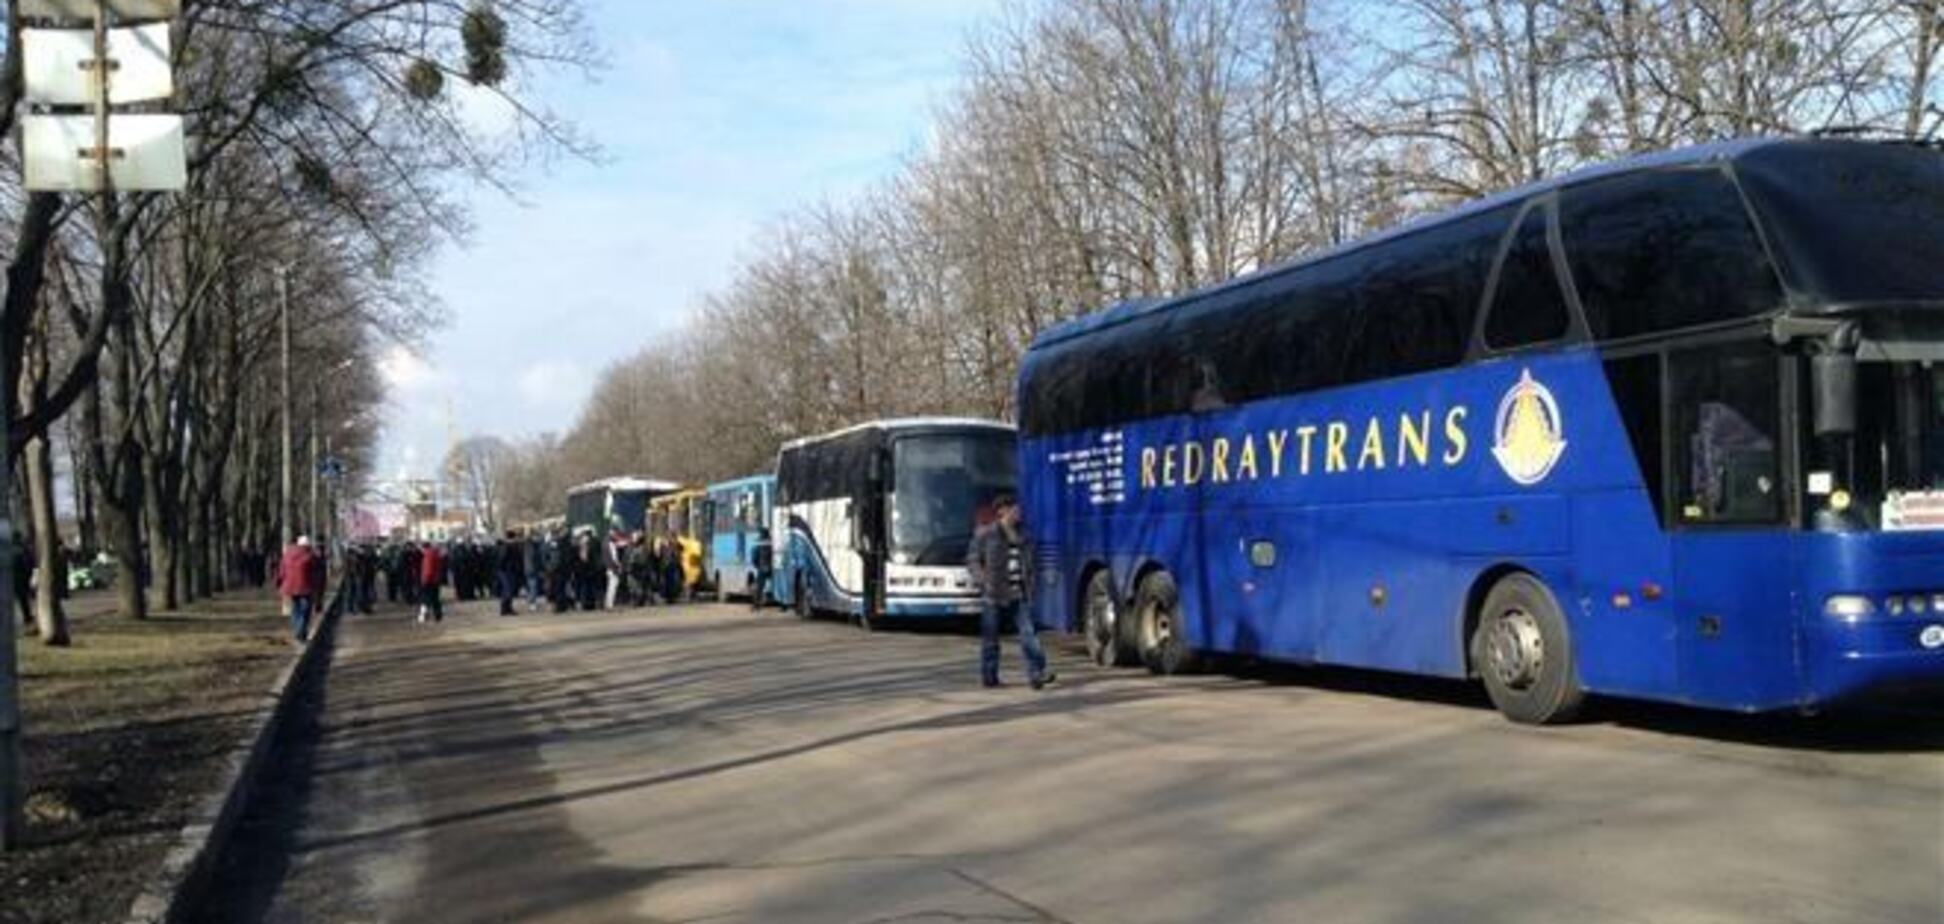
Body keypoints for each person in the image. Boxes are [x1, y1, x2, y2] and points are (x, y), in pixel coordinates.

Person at [970, 494, 1054, 690]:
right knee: (991, 639)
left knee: (1029, 635)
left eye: (1018, 509)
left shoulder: (1024, 534)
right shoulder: (986, 534)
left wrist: (1034, 581)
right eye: (1014, 509)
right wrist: (984, 580)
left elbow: (1030, 563)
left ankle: (1037, 674)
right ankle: (989, 676)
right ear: (1003, 511)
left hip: (1019, 593)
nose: (1018, 513)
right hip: (994, 594)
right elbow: (972, 560)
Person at [279, 536, 321, 644]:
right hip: (306, 587)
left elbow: (282, 570)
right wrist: (317, 587)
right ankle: (300, 632)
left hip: (290, 587)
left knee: (296, 608)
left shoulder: (287, 554)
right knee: (305, 610)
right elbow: (316, 573)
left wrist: (279, 582)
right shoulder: (310, 556)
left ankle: (297, 630)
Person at [497, 529, 525, 617]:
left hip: (510, 571)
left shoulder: (512, 546)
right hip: (506, 571)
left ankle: (507, 608)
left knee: (510, 590)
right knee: (507, 590)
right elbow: (502, 560)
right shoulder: (506, 547)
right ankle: (504, 608)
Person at [418, 541, 447, 624]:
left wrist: (425, 580)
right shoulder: (435, 553)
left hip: (429, 581)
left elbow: (428, 569)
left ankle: (423, 616)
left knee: (425, 599)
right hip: (435, 580)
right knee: (435, 599)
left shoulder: (428, 555)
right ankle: (438, 615)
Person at [750, 528, 774, 611]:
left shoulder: (759, 542)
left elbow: (754, 556)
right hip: (772, 567)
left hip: (762, 567)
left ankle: (756, 606)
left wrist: (757, 565)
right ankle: (784, 605)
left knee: (759, 587)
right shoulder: (772, 541)